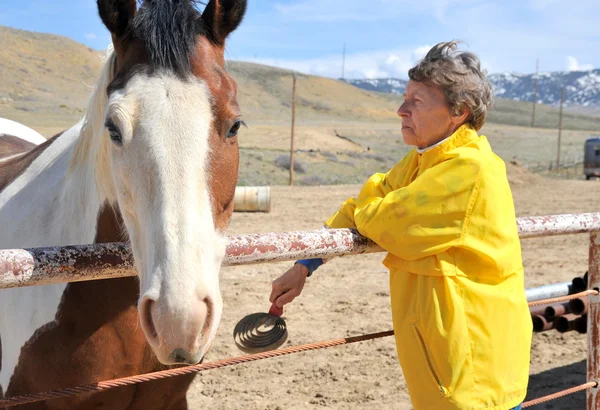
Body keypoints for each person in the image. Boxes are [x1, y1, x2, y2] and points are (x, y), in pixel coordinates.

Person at [269, 41, 531, 410]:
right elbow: (364, 207)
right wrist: (304, 265)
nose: (400, 110)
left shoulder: (469, 168)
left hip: (473, 366)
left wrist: (373, 205)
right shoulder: (422, 162)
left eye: (417, 102)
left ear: (459, 112)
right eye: (404, 98)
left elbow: (386, 221)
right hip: (443, 359)